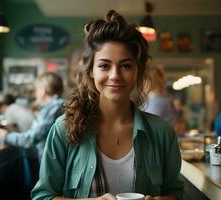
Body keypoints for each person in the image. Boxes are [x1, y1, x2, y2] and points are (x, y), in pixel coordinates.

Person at [31, 10, 183, 200]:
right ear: (91, 71)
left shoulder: (162, 132)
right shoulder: (64, 130)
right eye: (104, 66)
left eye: (126, 65)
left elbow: (176, 192)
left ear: (138, 71)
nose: (115, 75)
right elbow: (42, 196)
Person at [0, 72, 64, 161]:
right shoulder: (59, 106)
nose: (36, 93)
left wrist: (6, 137)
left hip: (52, 164)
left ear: (43, 90)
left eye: (37, 89)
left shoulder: (52, 109)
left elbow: (30, 139)